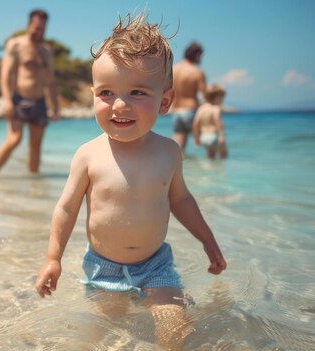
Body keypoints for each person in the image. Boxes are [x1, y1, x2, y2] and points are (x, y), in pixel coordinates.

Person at [34, 13, 226, 350]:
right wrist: (53, 257)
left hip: (156, 264)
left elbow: (180, 200)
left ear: (164, 101)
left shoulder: (169, 152)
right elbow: (66, 209)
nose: (119, 104)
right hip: (103, 266)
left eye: (137, 92)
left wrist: (207, 240)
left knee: (175, 329)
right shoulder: (88, 155)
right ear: (93, 95)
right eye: (107, 92)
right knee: (104, 333)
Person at [0, 9, 59, 176]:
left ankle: (34, 188)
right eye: (36, 27)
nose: (39, 31)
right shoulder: (16, 44)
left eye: (42, 28)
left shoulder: (46, 51)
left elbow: (50, 81)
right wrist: (7, 100)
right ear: (29, 25)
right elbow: (5, 75)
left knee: (35, 148)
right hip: (19, 100)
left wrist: (55, 105)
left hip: (39, 102)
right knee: (14, 140)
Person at [170, 42, 207, 152]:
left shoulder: (173, 70)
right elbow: (204, 94)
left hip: (176, 111)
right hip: (191, 110)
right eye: (200, 55)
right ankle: (212, 165)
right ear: (196, 55)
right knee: (207, 137)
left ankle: (174, 165)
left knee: (179, 142)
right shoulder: (197, 72)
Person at [193, 85, 228, 160]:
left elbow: (195, 123)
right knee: (224, 154)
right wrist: (221, 136)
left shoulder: (201, 108)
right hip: (213, 136)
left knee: (210, 155)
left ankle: (210, 169)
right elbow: (217, 120)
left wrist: (196, 138)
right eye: (221, 98)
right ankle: (221, 168)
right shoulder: (215, 108)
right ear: (217, 97)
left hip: (204, 137)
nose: (222, 101)